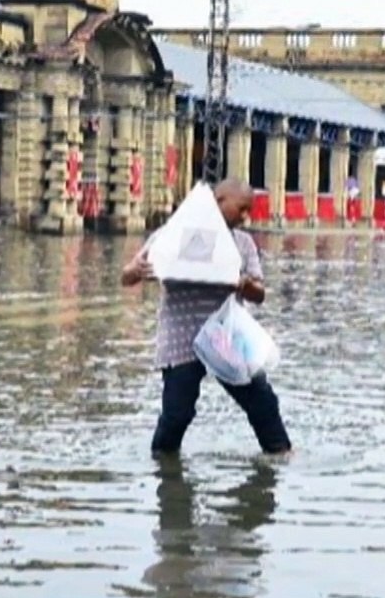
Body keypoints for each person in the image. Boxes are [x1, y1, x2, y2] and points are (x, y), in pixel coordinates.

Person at [120, 178, 292, 457]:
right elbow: (126, 277)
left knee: (262, 401)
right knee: (178, 413)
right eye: (242, 208)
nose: (246, 216)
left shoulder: (243, 244)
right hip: (181, 338)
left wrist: (243, 284)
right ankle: (163, 462)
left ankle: (280, 453)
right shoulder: (174, 235)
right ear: (219, 201)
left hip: (226, 336)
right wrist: (137, 269)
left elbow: (259, 294)